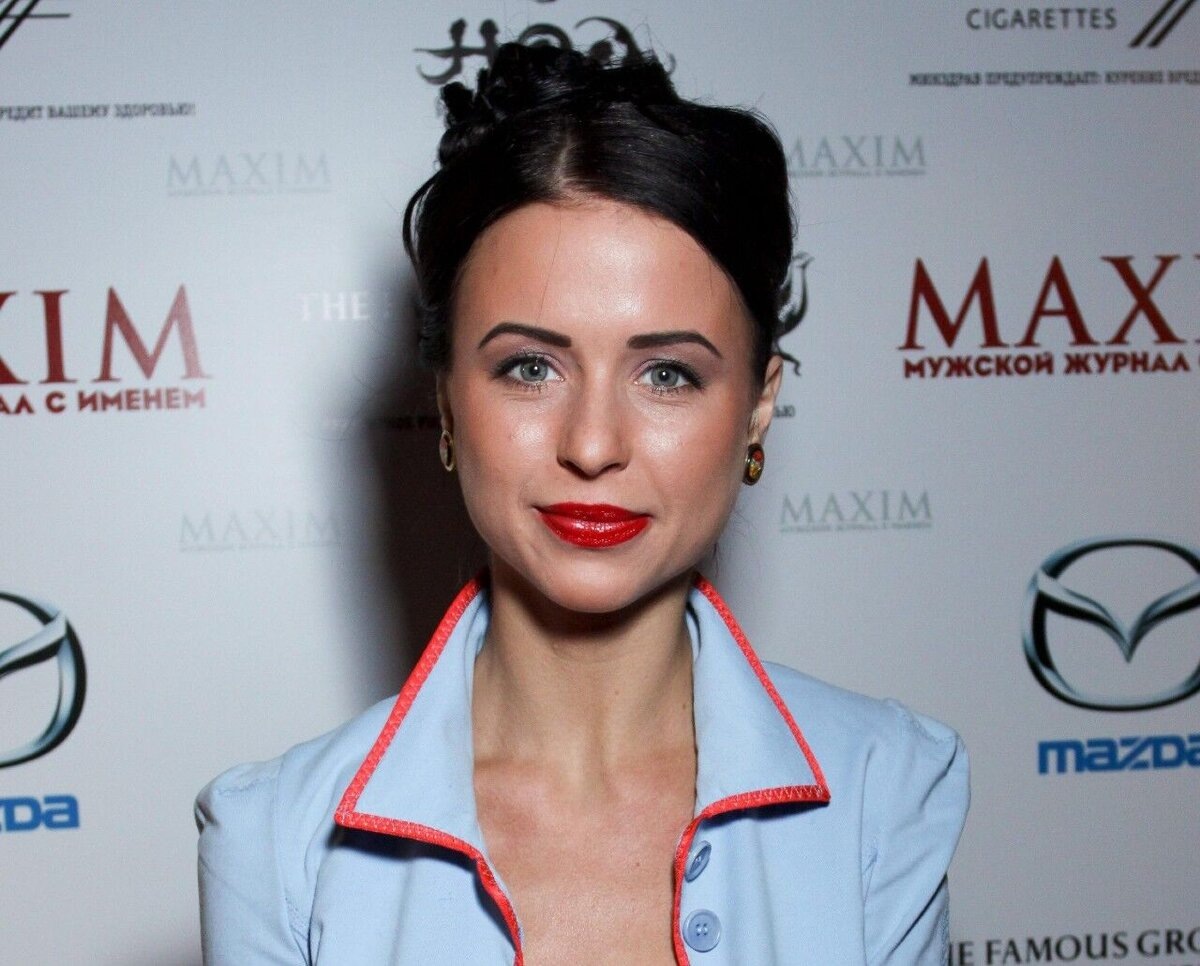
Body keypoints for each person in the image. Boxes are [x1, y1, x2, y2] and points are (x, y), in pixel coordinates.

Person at [195, 41, 969, 965]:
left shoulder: (883, 791)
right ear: (447, 402)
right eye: (530, 367)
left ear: (759, 406)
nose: (593, 445)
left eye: (668, 374)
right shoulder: (281, 842)